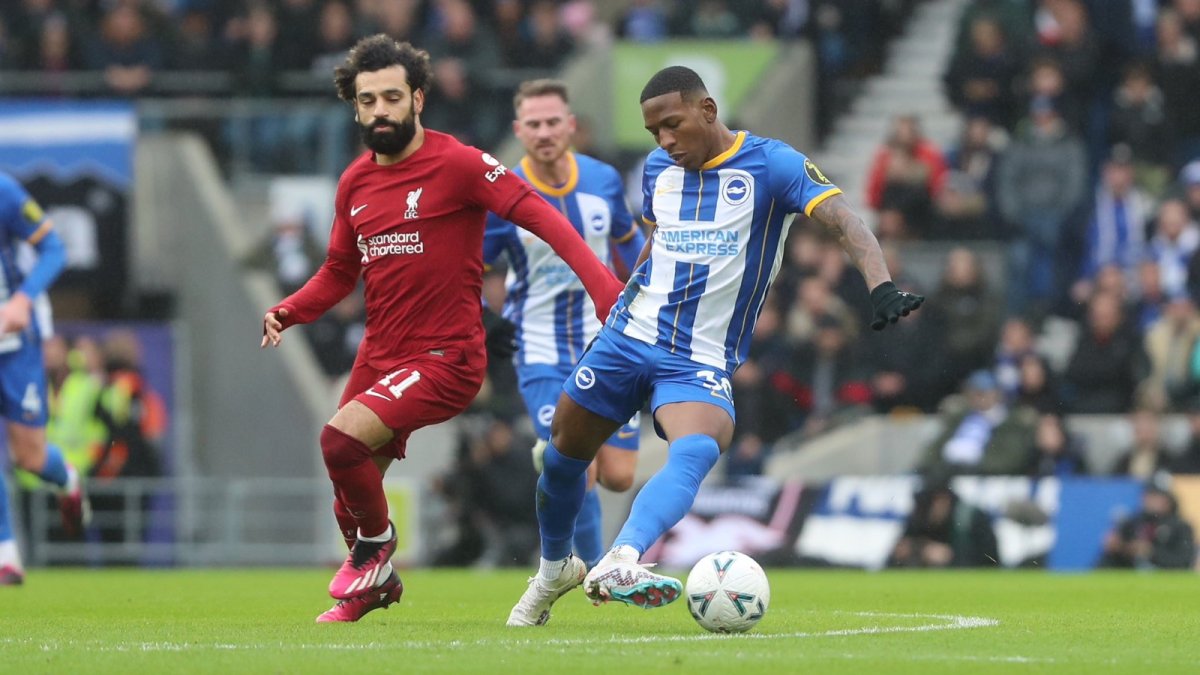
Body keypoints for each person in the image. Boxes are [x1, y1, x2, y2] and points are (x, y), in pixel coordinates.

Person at [506, 66, 923, 626]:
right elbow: (660, 241)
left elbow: (846, 222)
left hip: (698, 356)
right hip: (628, 337)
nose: (665, 142)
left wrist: (880, 284)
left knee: (700, 446)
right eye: (655, 132)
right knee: (562, 459)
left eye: (673, 125)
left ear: (708, 110)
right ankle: (554, 568)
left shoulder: (772, 165)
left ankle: (620, 559)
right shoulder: (657, 169)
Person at [260, 36, 624, 622]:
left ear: (418, 98)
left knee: (338, 441)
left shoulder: (460, 164)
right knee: (348, 504)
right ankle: (375, 583)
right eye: (368, 100)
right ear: (355, 108)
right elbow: (336, 271)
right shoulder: (354, 182)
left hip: (445, 355)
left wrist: (603, 287)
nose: (380, 110)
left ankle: (377, 553)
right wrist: (291, 309)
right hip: (381, 353)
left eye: (392, 97)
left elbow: (544, 219)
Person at [483, 79, 646, 569]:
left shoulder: (602, 180)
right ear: (519, 131)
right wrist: (479, 319)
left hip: (604, 345)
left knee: (618, 475)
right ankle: (595, 575)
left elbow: (629, 244)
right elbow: (472, 265)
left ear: (571, 125)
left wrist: (655, 294)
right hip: (539, 351)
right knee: (581, 467)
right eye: (533, 124)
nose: (545, 132)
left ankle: (556, 476)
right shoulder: (502, 195)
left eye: (553, 122)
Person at [0, 171, 88, 586]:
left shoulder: (4, 192)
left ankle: (66, 479)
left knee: (28, 458)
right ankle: (7, 556)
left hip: (17, 340)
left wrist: (21, 300)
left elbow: (54, 248)